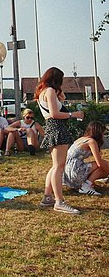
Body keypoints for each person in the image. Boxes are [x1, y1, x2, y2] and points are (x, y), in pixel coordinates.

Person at [37, 67, 85, 214]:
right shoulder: (50, 91)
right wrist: (73, 114)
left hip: (53, 128)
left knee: (56, 166)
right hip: (57, 128)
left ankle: (48, 197)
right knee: (59, 167)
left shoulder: (43, 92)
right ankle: (59, 201)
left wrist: (60, 97)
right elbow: (54, 113)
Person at [63, 121, 109, 196]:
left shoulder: (81, 139)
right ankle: (86, 186)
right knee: (102, 165)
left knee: (101, 165)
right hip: (75, 172)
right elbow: (99, 163)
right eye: (103, 134)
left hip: (68, 172)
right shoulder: (91, 142)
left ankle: (88, 183)